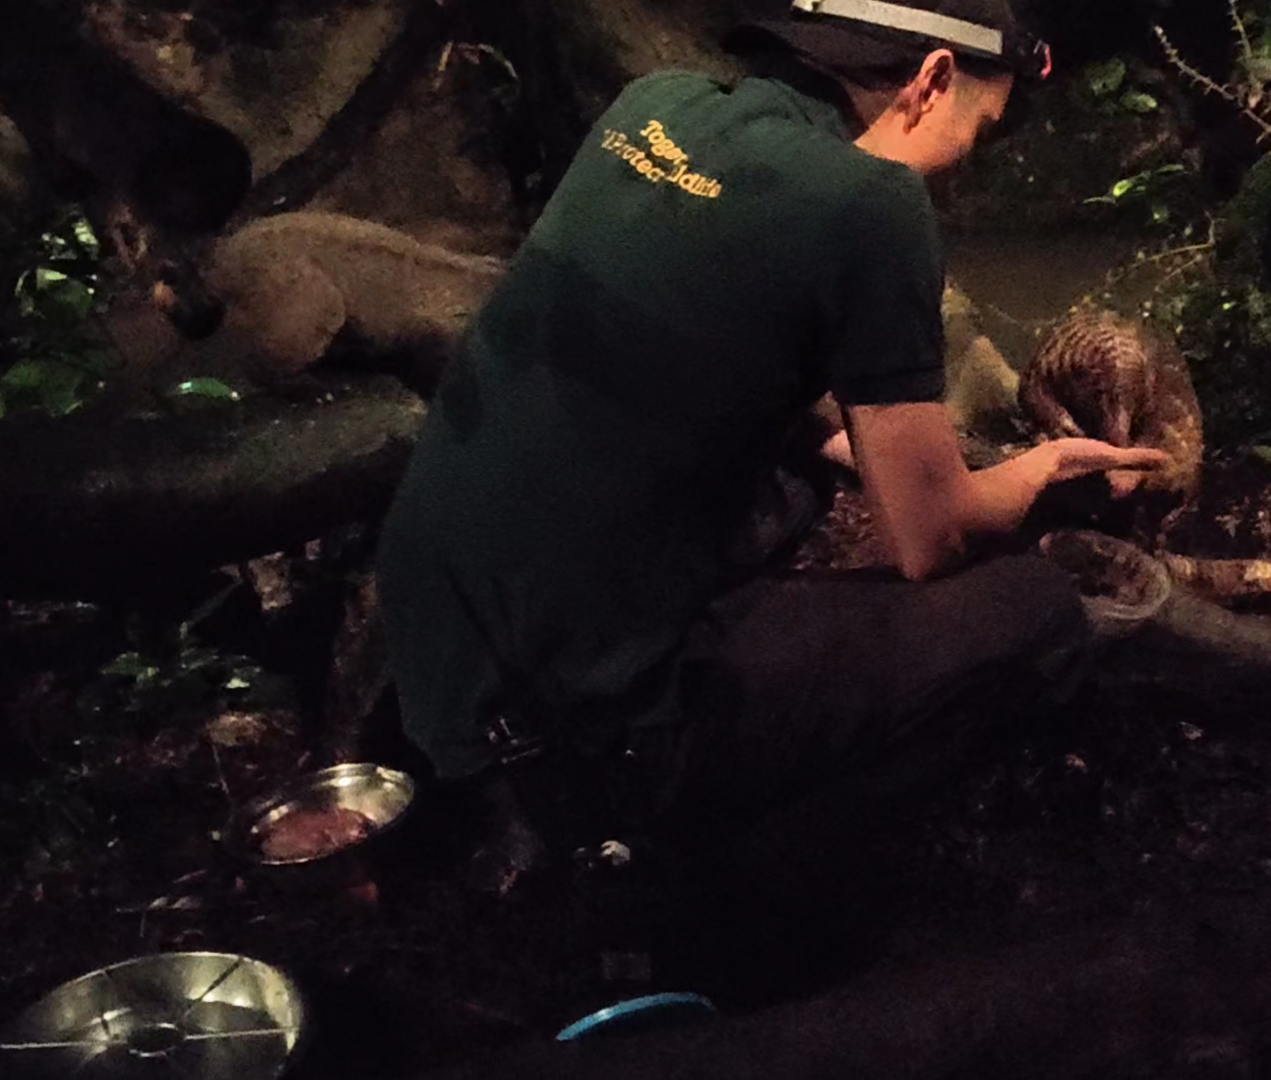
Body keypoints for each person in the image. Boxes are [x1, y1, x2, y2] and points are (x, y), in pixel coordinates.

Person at [375, 0, 1168, 913]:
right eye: (977, 137)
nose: (963, 172)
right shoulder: (871, 204)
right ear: (933, 79)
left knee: (793, 491)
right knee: (1035, 615)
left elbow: (688, 349)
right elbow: (931, 541)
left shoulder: (654, 106)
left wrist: (839, 439)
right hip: (570, 740)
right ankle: (734, 881)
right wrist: (1037, 470)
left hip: (437, 667)